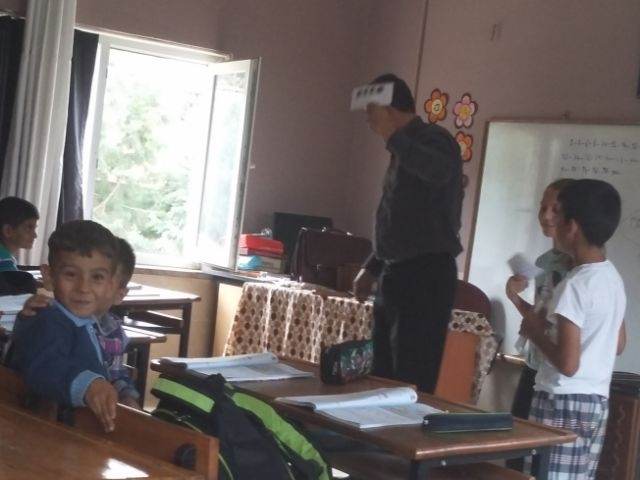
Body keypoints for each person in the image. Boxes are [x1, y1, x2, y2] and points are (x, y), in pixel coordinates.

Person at [352, 73, 463, 393]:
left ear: (388, 108)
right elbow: (400, 218)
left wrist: (393, 136)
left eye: (371, 110)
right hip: (395, 274)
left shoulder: (435, 139)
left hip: (426, 275)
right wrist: (372, 267)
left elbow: (439, 172)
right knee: (382, 374)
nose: (368, 119)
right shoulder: (401, 149)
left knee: (412, 376)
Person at [520, 179, 626, 479]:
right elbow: (619, 344)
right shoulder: (612, 278)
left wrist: (535, 331)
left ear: (572, 227)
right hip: (596, 401)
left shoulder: (574, 285)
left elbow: (568, 364)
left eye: (560, 214)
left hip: (561, 400)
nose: (552, 220)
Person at [10, 220, 121, 432]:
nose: (83, 288)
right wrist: (88, 386)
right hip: (45, 434)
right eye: (71, 274)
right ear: (49, 276)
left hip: (74, 431)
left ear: (110, 285)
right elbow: (44, 367)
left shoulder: (84, 323)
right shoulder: (47, 319)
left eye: (97, 277)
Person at [506, 180, 575, 420]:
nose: (546, 216)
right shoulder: (545, 262)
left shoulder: (580, 269)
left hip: (559, 375)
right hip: (535, 364)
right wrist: (514, 297)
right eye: (542, 207)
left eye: (556, 209)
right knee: (518, 432)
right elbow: (539, 319)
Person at [93, 237, 140, 408]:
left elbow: (117, 375)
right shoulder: (60, 322)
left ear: (120, 295)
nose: (84, 286)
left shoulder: (114, 332)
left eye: (98, 278)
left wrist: (127, 396)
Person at [0, 196, 39, 272]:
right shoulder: (4, 264)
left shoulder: (6, 258)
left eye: (34, 228)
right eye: (29, 228)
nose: (35, 235)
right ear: (8, 231)